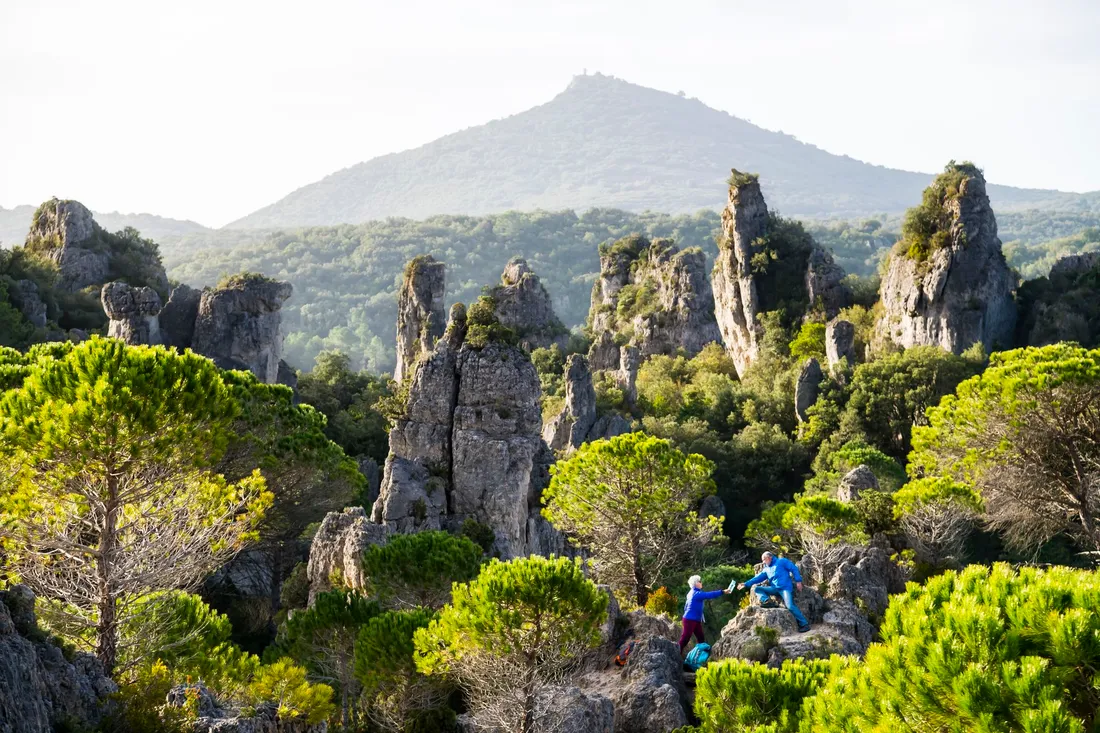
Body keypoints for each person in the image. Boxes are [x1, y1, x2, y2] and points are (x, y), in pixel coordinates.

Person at [736, 552, 811, 632]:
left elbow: (793, 568)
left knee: (790, 606)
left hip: (785, 588)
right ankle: (767, 602)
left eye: (764, 560)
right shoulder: (766, 569)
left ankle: (804, 624)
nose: (763, 562)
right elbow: (757, 578)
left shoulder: (782, 561)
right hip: (774, 589)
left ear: (769, 557)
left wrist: (798, 581)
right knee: (757, 589)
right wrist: (745, 583)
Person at [679, 574, 730, 653]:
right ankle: (677, 651)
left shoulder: (691, 593)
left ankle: (701, 656)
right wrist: (722, 591)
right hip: (690, 620)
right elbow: (709, 595)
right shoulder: (696, 594)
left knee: (701, 638)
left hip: (694, 620)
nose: (701, 582)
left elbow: (686, 606)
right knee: (686, 638)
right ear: (696, 583)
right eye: (700, 581)